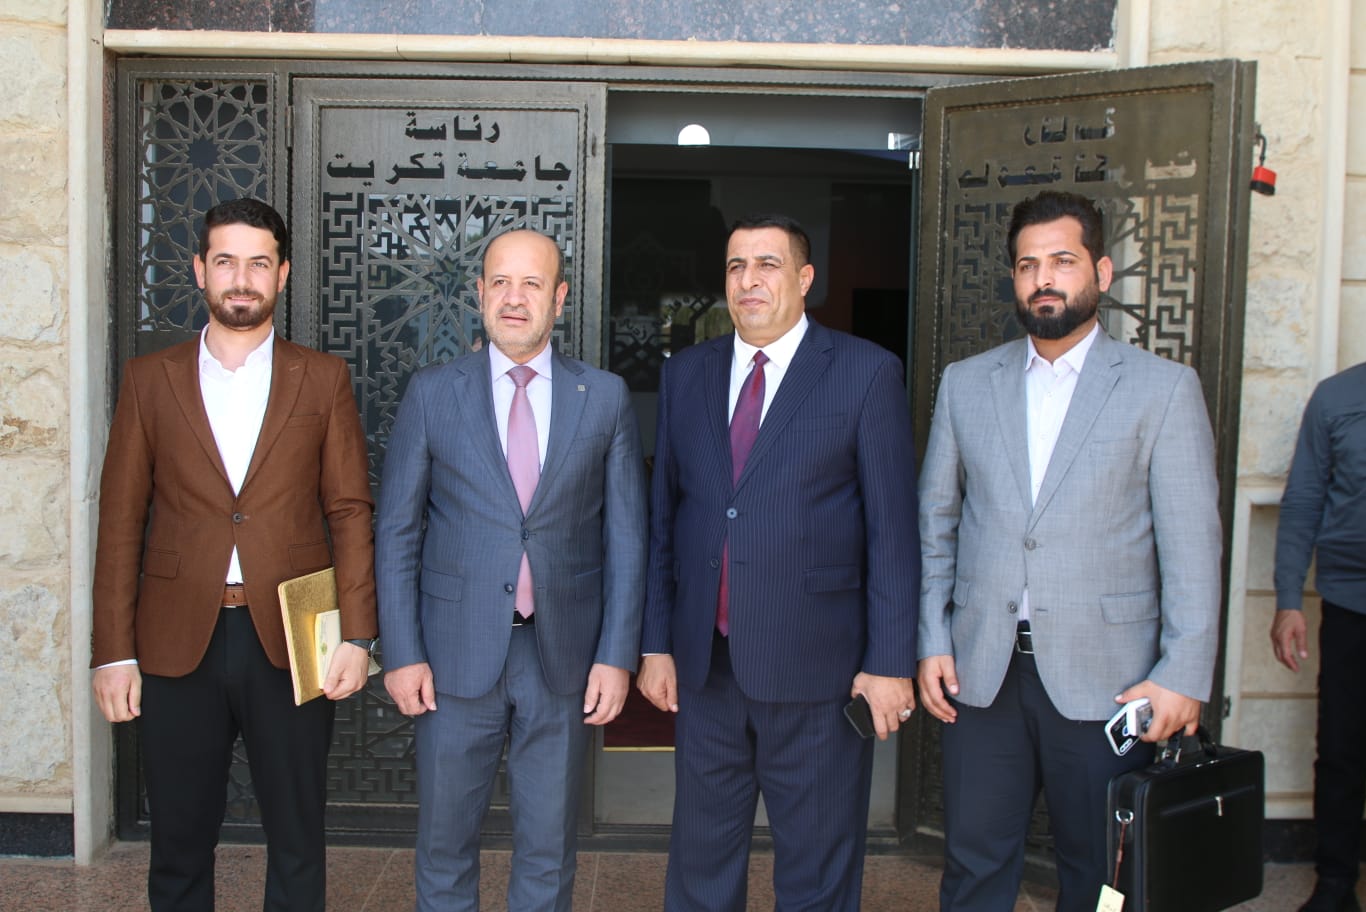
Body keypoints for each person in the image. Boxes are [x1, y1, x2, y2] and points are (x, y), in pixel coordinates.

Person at [916, 190, 1223, 912]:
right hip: (983, 673)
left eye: (1062, 260)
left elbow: (1192, 544)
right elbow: (936, 523)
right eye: (1028, 265)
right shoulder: (966, 384)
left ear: (1102, 272)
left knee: (1102, 874)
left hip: (1110, 679)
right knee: (973, 864)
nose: (1043, 279)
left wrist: (1183, 673)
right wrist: (932, 638)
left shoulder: (1162, 390)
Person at [90, 197, 378, 912]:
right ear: (200, 270)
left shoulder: (322, 378)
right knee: (179, 841)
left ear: (282, 274)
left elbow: (348, 511)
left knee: (298, 838)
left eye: (257, 263)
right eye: (225, 262)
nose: (241, 279)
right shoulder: (149, 379)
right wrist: (112, 652)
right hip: (175, 638)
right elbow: (121, 521)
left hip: (294, 638)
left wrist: (358, 636)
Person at [638, 213, 920, 911]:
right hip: (707, 668)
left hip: (820, 673)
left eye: (768, 264)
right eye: (736, 266)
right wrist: (655, 644)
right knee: (700, 866)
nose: (749, 280)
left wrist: (890, 662)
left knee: (816, 875)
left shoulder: (865, 372)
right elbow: (664, 520)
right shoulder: (686, 374)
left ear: (804, 278)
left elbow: (892, 533)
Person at [376, 228, 647, 912]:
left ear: (559, 298)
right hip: (452, 655)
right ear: (479, 294)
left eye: (531, 283)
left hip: (562, 657)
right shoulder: (432, 393)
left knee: (548, 848)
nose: (514, 297)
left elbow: (626, 538)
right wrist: (401, 653)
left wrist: (616, 656)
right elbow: (398, 532)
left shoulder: (604, 396)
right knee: (444, 843)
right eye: (500, 282)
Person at [1271, 360, 1366, 912]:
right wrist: (1288, 600)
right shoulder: (1336, 398)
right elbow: (1304, 499)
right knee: (1340, 750)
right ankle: (1334, 883)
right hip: (1352, 604)